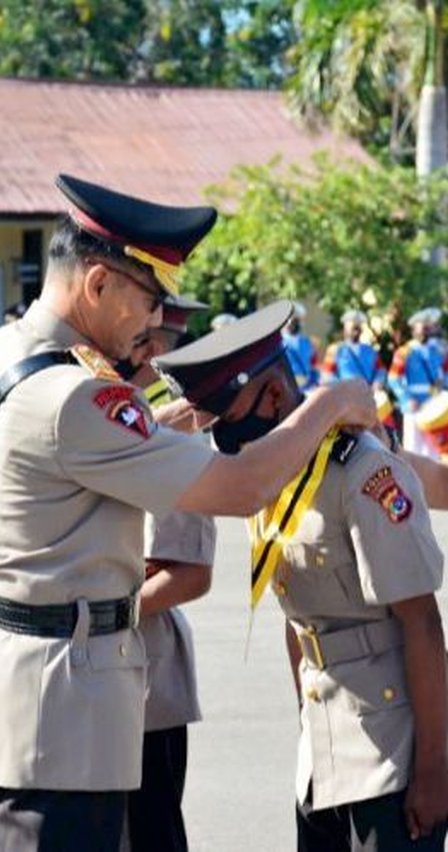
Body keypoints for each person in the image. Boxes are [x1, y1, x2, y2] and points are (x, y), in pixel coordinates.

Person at [0, 175, 376, 851]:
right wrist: (330, 405)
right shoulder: (82, 398)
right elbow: (241, 486)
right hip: (62, 722)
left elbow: (58, 460)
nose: (155, 323)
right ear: (98, 285)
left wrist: (164, 421)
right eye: (150, 299)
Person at [155, 300, 448, 852]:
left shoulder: (363, 473)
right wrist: (306, 724)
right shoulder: (273, 476)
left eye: (227, 413)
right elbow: (299, 624)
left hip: (392, 750)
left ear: (271, 396)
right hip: (323, 752)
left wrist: (435, 768)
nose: (221, 433)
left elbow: (424, 626)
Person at [126, 294, 215, 852]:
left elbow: (191, 575)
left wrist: (99, 611)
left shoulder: (176, 436)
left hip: (146, 683)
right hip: (88, 674)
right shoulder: (102, 416)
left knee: (149, 833)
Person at [388, 308, 448, 457]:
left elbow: (445, 373)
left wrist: (443, 384)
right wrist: (407, 399)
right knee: (413, 447)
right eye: (423, 328)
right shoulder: (404, 352)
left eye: (428, 328)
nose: (426, 332)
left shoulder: (438, 350)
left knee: (434, 450)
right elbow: (393, 379)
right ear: (414, 329)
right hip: (414, 406)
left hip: (435, 403)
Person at [321, 309, 386, 388]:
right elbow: (327, 374)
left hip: (366, 394)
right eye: (353, 328)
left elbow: (381, 370)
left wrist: (377, 383)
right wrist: (341, 388)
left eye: (358, 329)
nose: (356, 332)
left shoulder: (370, 351)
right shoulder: (335, 350)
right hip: (344, 395)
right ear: (345, 329)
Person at [282, 301, 320, 393]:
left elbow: (313, 365)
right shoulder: (279, 342)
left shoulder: (307, 342)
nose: (292, 323)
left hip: (307, 386)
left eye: (296, 321)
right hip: (286, 384)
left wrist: (314, 381)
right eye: (290, 320)